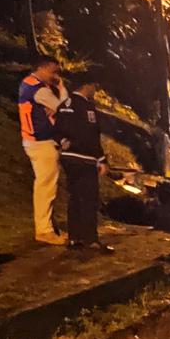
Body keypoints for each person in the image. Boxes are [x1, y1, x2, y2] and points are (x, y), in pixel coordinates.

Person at [54, 78, 112, 254]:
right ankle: (90, 239)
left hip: (68, 158)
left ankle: (74, 237)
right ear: (86, 86)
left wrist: (62, 141)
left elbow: (56, 130)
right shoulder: (86, 108)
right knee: (88, 199)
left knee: (75, 198)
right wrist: (101, 159)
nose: (94, 90)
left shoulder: (64, 105)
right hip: (84, 157)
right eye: (94, 86)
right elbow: (91, 135)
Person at [18, 55, 69, 245]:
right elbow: (66, 110)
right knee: (46, 187)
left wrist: (56, 109)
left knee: (46, 186)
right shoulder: (39, 89)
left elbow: (59, 110)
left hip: (35, 141)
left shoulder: (29, 84)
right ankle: (44, 231)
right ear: (43, 68)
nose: (56, 77)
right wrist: (61, 89)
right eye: (54, 72)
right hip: (41, 143)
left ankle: (50, 228)